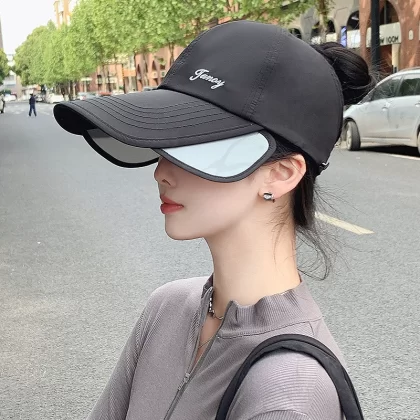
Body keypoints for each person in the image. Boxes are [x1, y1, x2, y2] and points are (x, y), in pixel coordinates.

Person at [54, 21, 374, 420]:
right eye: (165, 144)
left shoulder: (288, 393)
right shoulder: (167, 308)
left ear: (281, 174)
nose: (161, 172)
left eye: (195, 145)